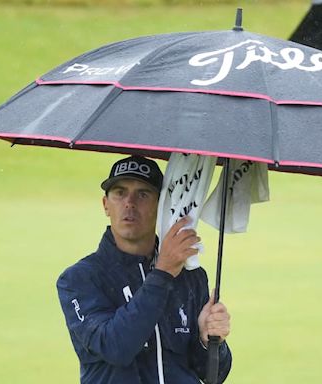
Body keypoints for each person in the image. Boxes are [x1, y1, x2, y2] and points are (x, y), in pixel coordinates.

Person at [57, 155, 232, 384]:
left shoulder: (191, 275)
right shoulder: (79, 279)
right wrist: (163, 273)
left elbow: (213, 375)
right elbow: (116, 347)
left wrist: (209, 341)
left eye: (143, 194)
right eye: (120, 192)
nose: (129, 203)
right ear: (105, 205)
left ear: (161, 206)